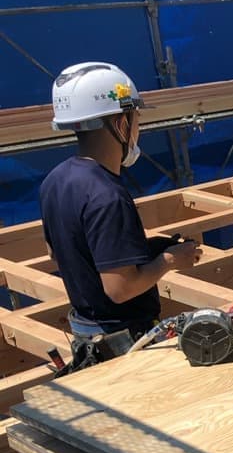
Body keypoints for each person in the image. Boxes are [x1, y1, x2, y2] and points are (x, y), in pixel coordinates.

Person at [41, 62, 200, 362]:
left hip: (86, 332)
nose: (139, 127)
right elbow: (120, 289)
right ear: (120, 123)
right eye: (136, 117)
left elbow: (58, 252)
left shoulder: (55, 179)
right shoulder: (107, 196)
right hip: (121, 343)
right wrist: (169, 260)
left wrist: (144, 252)